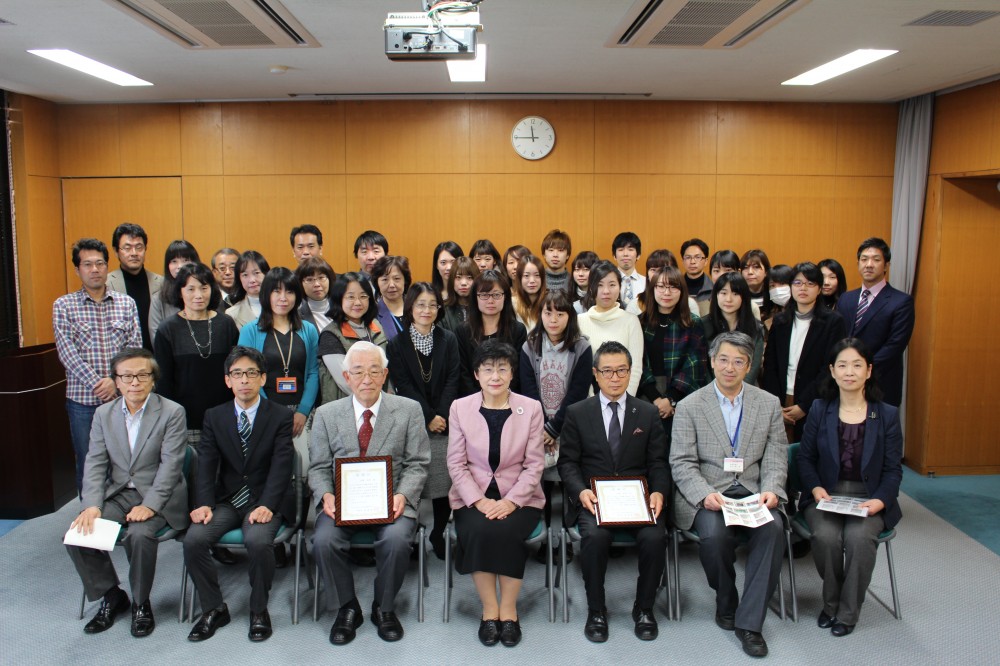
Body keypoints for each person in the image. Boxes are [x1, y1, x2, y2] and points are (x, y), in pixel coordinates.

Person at [670, 331, 788, 658]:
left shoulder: (768, 403)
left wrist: (772, 489)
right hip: (711, 493)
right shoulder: (691, 405)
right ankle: (726, 601)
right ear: (711, 362)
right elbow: (680, 460)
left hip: (753, 492)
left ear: (749, 365)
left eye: (738, 361)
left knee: (774, 529)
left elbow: (777, 453)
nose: (730, 368)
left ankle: (749, 624)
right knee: (713, 537)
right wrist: (703, 494)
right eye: (723, 360)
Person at [309, 342, 431, 645]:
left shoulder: (408, 410)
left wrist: (403, 495)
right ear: (346, 377)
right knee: (323, 540)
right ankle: (347, 607)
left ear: (385, 374)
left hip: (392, 501)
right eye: (359, 372)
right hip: (342, 504)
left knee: (397, 538)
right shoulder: (326, 414)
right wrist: (326, 495)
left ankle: (384, 607)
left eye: (374, 371)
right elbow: (318, 468)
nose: (367, 379)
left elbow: (418, 463)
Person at [66, 348, 187, 639]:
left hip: (161, 496)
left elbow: (171, 467)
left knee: (139, 535)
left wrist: (151, 505)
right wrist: (92, 505)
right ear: (116, 381)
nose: (135, 382)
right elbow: (94, 463)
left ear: (153, 380)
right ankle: (111, 595)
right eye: (127, 376)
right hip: (119, 494)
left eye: (142, 375)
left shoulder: (172, 412)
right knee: (79, 534)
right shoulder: (103, 414)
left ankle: (140, 603)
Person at [558, 341, 669, 643]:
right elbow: (567, 462)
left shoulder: (646, 413)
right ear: (595, 374)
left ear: (631, 372)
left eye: (622, 370)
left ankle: (644, 608)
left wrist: (658, 492)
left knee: (655, 537)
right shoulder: (578, 412)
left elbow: (658, 462)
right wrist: (580, 492)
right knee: (594, 538)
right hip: (595, 500)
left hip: (639, 500)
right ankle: (597, 610)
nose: (615, 377)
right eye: (607, 371)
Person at [184, 346, 295, 643]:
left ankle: (259, 609)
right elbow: (205, 464)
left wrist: (269, 505)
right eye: (237, 374)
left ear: (262, 379)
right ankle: (213, 607)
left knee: (258, 541)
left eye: (251, 373)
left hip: (265, 499)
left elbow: (283, 466)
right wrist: (204, 503)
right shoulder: (214, 416)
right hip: (228, 500)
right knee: (194, 539)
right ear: (227, 380)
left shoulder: (280, 416)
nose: (244, 379)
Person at [797, 338, 903, 637]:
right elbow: (805, 458)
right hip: (826, 494)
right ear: (832, 371)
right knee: (826, 537)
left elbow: (893, 469)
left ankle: (847, 611)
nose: (849, 372)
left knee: (858, 539)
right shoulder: (820, 409)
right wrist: (816, 488)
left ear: (869, 371)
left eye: (857, 365)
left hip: (869, 497)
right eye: (842, 365)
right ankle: (830, 604)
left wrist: (881, 501)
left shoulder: (886, 415)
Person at [448, 340, 545, 647]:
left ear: (512, 373)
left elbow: (534, 465)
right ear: (476, 374)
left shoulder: (530, 408)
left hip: (521, 496)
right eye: (488, 369)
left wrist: (511, 501)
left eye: (503, 368)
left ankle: (509, 610)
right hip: (471, 496)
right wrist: (478, 500)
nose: (495, 375)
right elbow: (455, 462)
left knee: (506, 531)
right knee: (478, 530)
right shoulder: (460, 408)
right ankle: (489, 610)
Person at [54, 238, 143, 492]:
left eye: (100, 263)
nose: (95, 269)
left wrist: (114, 382)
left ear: (107, 266)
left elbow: (134, 349)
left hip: (122, 398)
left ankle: (119, 516)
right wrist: (99, 383)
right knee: (89, 462)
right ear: (77, 269)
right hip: (83, 402)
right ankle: (90, 520)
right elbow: (67, 353)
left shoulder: (126, 304)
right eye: (88, 264)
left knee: (125, 462)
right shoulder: (63, 306)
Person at [386, 283, 462, 560]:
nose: (426, 310)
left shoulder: (448, 339)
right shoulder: (396, 343)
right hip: (412, 421)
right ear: (410, 308)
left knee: (443, 482)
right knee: (412, 482)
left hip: (445, 421)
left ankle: (438, 532)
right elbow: (402, 384)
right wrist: (428, 417)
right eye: (420, 304)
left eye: (432, 304)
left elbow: (454, 378)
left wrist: (440, 415)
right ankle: (412, 532)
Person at [519, 291, 593, 561]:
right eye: (548, 313)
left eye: (560, 313)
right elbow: (527, 391)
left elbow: (578, 391)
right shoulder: (529, 345)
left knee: (570, 485)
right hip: (537, 429)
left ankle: (567, 542)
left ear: (569, 316)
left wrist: (555, 428)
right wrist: (543, 427)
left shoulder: (582, 347)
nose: (553, 319)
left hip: (570, 427)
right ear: (540, 315)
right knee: (543, 488)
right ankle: (545, 541)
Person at [238, 267, 319, 467]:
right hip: (263, 411)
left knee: (305, 470)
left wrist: (303, 411)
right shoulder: (250, 330)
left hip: (302, 413)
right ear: (266, 294)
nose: (283, 298)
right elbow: (247, 375)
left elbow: (313, 372)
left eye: (289, 292)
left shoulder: (308, 329)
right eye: (276, 291)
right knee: (267, 469)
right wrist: (269, 411)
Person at [153, 262, 240, 443]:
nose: (198, 295)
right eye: (190, 289)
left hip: (225, 416)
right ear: (180, 291)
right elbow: (163, 382)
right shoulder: (167, 329)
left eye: (204, 288)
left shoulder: (226, 324)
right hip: (185, 419)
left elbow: (236, 371)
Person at [761, 262, 848, 442]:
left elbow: (830, 368)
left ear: (819, 289)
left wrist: (804, 405)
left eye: (810, 284)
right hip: (780, 398)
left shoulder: (833, 322)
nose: (803, 288)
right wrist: (775, 403)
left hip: (814, 398)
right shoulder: (780, 321)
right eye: (798, 283)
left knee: (807, 452)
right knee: (779, 453)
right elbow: (770, 365)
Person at [835, 238, 915, 407]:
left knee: (876, 432)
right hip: (844, 383)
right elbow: (838, 337)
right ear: (858, 263)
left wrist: (861, 370)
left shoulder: (901, 301)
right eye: (864, 259)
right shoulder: (845, 299)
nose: (869, 264)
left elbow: (895, 345)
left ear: (886, 265)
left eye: (876, 259)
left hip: (880, 383)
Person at [638, 266, 708, 452]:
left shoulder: (692, 323)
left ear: (682, 291)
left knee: (679, 454)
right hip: (646, 396)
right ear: (652, 290)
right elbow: (637, 363)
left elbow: (695, 364)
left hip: (681, 398)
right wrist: (655, 398)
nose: (666, 292)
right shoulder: (639, 322)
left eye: (673, 287)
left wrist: (671, 399)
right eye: (660, 287)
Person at [318, 272, 388, 404]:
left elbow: (386, 370)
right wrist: (376, 400)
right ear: (339, 299)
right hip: (345, 408)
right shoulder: (330, 334)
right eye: (350, 297)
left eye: (363, 296)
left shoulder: (376, 326)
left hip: (380, 404)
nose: (357, 302)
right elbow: (346, 382)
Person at [578, 260, 644, 397]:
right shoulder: (580, 321)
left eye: (612, 285)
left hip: (624, 397)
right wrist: (592, 402)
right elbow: (578, 369)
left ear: (620, 287)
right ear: (591, 288)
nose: (606, 291)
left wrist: (624, 401)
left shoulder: (631, 321)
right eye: (600, 285)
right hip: (589, 398)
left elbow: (635, 368)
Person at [456, 270, 528, 396]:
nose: (490, 301)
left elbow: (517, 372)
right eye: (484, 295)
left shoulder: (518, 330)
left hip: (508, 399)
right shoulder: (462, 331)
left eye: (496, 295)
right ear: (475, 297)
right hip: (471, 400)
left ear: (505, 297)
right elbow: (463, 373)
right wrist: (481, 400)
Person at [701, 273, 766, 386]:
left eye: (735, 293)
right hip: (711, 391)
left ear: (744, 297)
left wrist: (736, 392)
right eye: (724, 293)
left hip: (746, 391)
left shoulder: (756, 328)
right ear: (716, 295)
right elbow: (703, 366)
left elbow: (754, 367)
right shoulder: (703, 325)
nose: (729, 299)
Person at [107, 223, 162, 350]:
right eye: (127, 248)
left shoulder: (160, 282)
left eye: (139, 247)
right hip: (123, 358)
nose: (134, 253)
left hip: (156, 357)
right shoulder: (107, 284)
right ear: (116, 251)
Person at [148, 240, 200, 335]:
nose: (180, 266)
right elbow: (156, 338)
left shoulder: (206, 293)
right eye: (174, 261)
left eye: (185, 260)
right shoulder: (158, 299)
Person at [644, 249, 699, 316]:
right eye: (653, 270)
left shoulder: (689, 303)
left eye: (664, 269)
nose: (659, 274)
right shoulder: (637, 304)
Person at [226, 250, 270, 331]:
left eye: (256, 273)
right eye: (245, 275)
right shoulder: (232, 314)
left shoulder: (281, 306)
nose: (252, 280)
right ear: (239, 279)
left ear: (266, 274)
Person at [372, 255, 411, 340]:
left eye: (397, 278)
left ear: (405, 281)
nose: (392, 285)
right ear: (377, 283)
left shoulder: (417, 307)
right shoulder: (373, 314)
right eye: (385, 280)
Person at [295, 257, 337, 334]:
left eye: (321, 278)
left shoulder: (342, 308)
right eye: (309, 280)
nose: (317, 284)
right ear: (300, 284)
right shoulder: (296, 315)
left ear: (329, 279)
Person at [440, 256, 480, 332]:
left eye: (469, 278)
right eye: (458, 277)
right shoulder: (442, 310)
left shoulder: (483, 308)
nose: (464, 283)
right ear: (451, 280)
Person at [511, 254, 547, 331]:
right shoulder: (511, 303)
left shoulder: (549, 303)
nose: (532, 281)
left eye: (537, 275)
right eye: (526, 276)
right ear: (519, 278)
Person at [741, 249, 775, 325]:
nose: (750, 272)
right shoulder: (738, 297)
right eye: (746, 268)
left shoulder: (774, 295)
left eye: (756, 267)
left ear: (766, 272)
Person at [612, 231, 645, 311]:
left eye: (630, 249)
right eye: (621, 249)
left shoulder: (646, 283)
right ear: (614, 256)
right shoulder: (607, 283)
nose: (625, 254)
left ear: (638, 255)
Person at [681, 238, 713, 311]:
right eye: (688, 257)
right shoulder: (676, 288)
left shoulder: (713, 288)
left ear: (706, 261)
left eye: (697, 257)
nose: (692, 261)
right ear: (683, 261)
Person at [541, 229, 572, 293]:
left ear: (567, 255)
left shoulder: (574, 282)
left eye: (560, 250)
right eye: (551, 250)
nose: (555, 255)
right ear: (544, 254)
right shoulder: (536, 281)